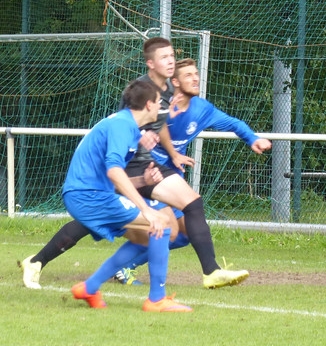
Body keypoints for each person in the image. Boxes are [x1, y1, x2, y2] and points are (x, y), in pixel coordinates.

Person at [19, 38, 249, 289]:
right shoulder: (139, 96)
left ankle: (50, 265)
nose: (171, 61)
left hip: (140, 169)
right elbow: (124, 132)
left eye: (172, 56)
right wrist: (142, 142)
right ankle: (173, 285)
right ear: (150, 64)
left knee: (172, 227)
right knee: (164, 224)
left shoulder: (166, 95)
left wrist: (166, 155)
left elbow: (154, 126)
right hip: (123, 170)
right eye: (164, 57)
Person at [110, 58, 273, 276]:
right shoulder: (159, 105)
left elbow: (233, 123)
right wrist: (172, 153)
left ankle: (123, 267)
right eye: (188, 75)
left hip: (171, 179)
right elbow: (139, 127)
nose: (196, 78)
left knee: (184, 234)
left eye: (196, 74)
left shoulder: (202, 109)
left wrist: (252, 139)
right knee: (163, 227)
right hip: (148, 174)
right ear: (175, 82)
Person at [63, 77, 191, 312]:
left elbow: (112, 177)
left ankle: (89, 288)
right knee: (160, 224)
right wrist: (146, 210)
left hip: (90, 194)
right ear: (149, 105)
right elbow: (113, 171)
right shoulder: (123, 126)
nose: (161, 106)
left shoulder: (126, 126)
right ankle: (156, 300)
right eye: (158, 102)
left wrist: (143, 181)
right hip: (87, 196)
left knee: (145, 238)